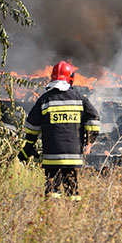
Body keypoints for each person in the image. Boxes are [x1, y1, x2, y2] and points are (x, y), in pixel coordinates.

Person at [19, 60, 101, 200]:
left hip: (51, 156)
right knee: (72, 190)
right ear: (71, 78)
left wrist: (28, 147)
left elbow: (32, 126)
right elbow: (94, 119)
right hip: (73, 155)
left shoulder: (45, 99)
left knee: (51, 189)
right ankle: (72, 214)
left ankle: (52, 215)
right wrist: (89, 141)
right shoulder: (80, 99)